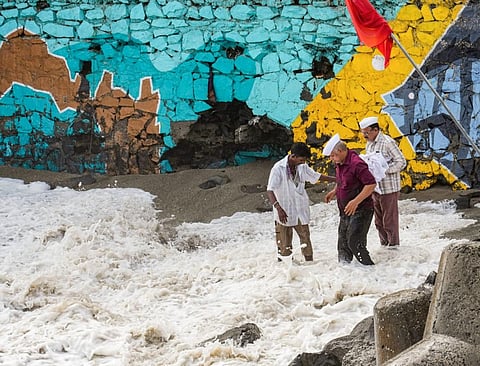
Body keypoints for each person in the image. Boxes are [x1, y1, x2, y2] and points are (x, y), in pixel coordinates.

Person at [267, 142, 336, 262]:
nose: (303, 162)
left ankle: (310, 266)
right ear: (293, 156)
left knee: (305, 239)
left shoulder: (302, 167)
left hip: (299, 209)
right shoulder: (278, 169)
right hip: (284, 211)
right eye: (301, 160)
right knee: (284, 244)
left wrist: (337, 179)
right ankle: (287, 272)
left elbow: (316, 176)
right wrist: (279, 208)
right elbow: (270, 190)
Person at [323, 134, 377, 265]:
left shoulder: (356, 164)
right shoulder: (339, 163)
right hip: (344, 209)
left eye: (333, 156)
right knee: (342, 242)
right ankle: (344, 270)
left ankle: (369, 269)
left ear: (341, 151)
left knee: (354, 241)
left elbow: (371, 184)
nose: (331, 159)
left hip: (361, 209)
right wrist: (335, 191)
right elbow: (342, 180)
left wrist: (355, 201)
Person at [359, 116, 407, 248]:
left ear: (375, 130)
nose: (364, 135)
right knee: (378, 221)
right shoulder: (369, 144)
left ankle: (393, 246)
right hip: (375, 187)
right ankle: (384, 244)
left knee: (389, 220)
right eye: (363, 133)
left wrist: (384, 171)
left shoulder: (387, 142)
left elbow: (401, 162)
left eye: (366, 132)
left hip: (388, 187)